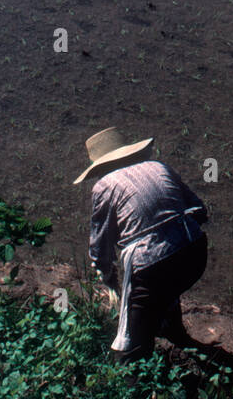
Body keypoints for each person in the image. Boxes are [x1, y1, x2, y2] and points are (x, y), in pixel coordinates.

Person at [75, 126, 209, 363]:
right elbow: (199, 211)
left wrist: (110, 282)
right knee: (165, 288)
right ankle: (175, 334)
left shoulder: (104, 186)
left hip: (151, 266)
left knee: (133, 341)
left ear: (99, 166)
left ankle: (132, 386)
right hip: (196, 253)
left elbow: (100, 247)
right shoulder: (159, 167)